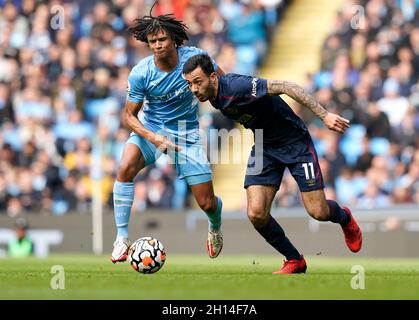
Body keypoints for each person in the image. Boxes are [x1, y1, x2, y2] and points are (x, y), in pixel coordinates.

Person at [182, 54, 363, 274]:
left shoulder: (238, 87)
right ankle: (294, 259)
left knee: (319, 212)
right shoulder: (211, 94)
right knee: (256, 213)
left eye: (197, 82)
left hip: (294, 142)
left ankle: (344, 217)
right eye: (189, 84)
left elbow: (286, 86)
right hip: (264, 145)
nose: (193, 89)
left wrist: (324, 115)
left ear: (212, 77)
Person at [111, 8, 225, 263]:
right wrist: (154, 138)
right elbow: (128, 116)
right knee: (126, 167)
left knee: (206, 203)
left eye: (162, 39)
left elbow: (222, 82)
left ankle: (215, 225)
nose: (158, 45)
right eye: (153, 42)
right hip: (152, 129)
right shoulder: (141, 73)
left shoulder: (196, 58)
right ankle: (121, 237)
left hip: (187, 134)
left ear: (174, 39)